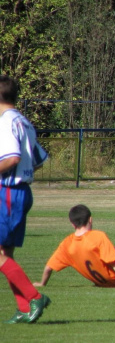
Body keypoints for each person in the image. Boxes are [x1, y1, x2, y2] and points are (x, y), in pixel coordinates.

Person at [0, 75, 51, 324]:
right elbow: (39, 159)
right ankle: (24, 307)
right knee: (5, 254)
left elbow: (12, 158)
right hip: (21, 192)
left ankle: (34, 296)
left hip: (8, 192)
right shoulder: (24, 121)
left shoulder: (5, 121)